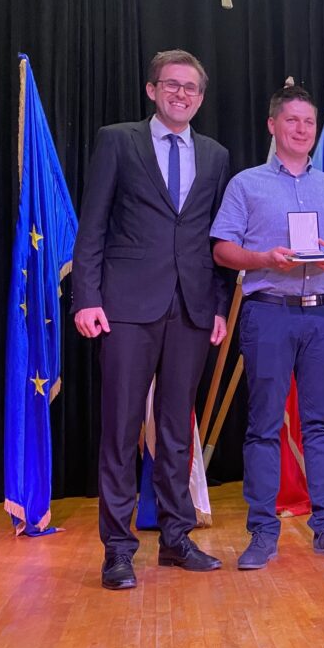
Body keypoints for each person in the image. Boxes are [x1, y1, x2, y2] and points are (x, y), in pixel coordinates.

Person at [72, 50, 232, 590]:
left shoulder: (215, 155)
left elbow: (214, 238)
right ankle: (118, 550)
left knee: (176, 431)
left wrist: (217, 304)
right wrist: (86, 298)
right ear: (151, 90)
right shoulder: (118, 141)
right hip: (125, 308)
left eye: (191, 87)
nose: (181, 94)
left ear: (201, 98)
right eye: (171, 84)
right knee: (120, 430)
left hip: (191, 308)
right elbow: (92, 225)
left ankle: (176, 538)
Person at [210, 85, 324, 568]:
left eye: (308, 122)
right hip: (269, 312)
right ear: (273, 125)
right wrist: (264, 259)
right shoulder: (246, 184)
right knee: (263, 426)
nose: (302, 129)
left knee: (319, 424)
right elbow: (222, 249)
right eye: (292, 120)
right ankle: (262, 532)